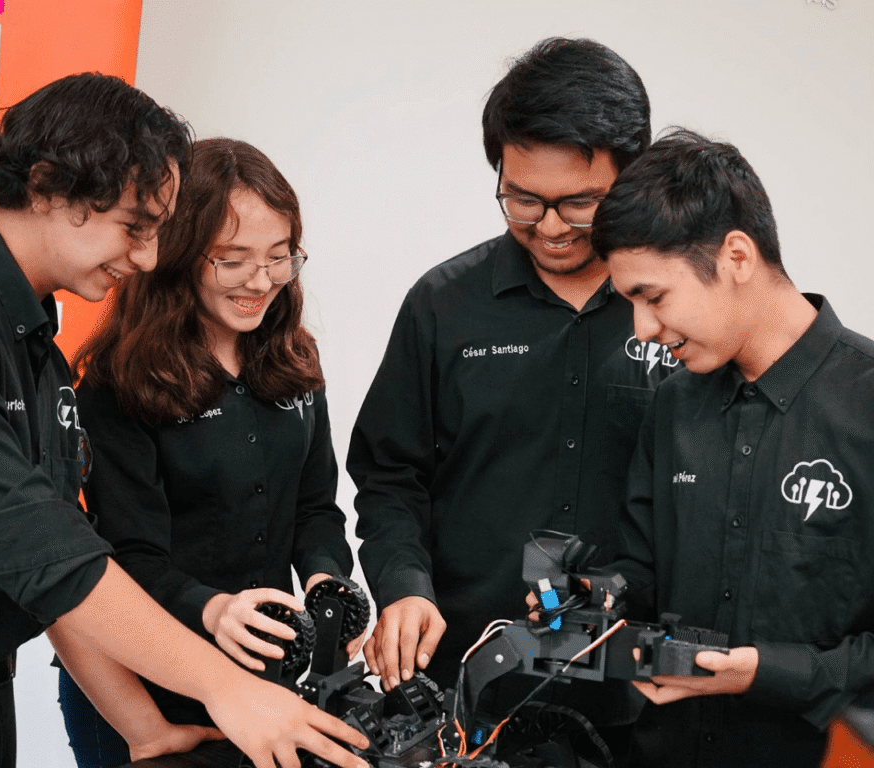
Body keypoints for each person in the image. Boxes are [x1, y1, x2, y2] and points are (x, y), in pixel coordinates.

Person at [0, 73, 369, 768]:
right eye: (135, 226)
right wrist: (223, 685)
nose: (152, 258)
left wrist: (144, 728)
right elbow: (29, 543)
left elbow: (57, 567)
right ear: (44, 186)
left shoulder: (36, 351)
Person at [346, 37, 678, 760]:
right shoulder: (444, 305)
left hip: (640, 703)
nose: (550, 226)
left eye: (579, 203)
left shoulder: (680, 312)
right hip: (467, 692)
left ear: (631, 178)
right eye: (523, 198)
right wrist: (404, 587)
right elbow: (391, 476)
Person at [56, 137, 362, 767]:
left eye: (281, 258)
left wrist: (329, 578)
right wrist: (214, 609)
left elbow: (314, 508)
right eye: (233, 260)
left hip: (265, 680)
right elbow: (123, 557)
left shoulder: (294, 358)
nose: (262, 281)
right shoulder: (119, 382)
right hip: (145, 684)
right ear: (179, 255)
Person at [581, 128, 874, 766]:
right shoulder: (672, 405)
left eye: (653, 297)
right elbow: (642, 571)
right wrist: (592, 596)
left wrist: (767, 672)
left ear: (737, 257)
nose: (643, 329)